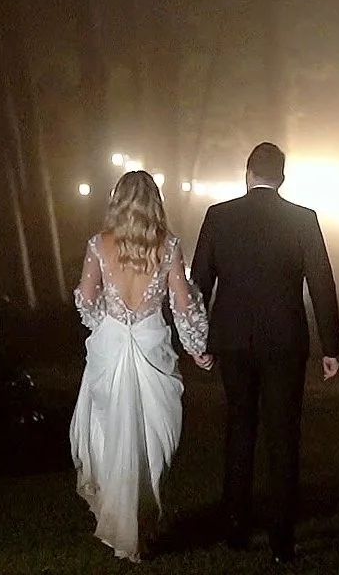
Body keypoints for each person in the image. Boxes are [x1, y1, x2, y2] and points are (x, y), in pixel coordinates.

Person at [191, 142, 339, 563]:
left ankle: (236, 526)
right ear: (282, 177)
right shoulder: (303, 220)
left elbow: (200, 282)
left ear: (247, 173)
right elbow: (322, 282)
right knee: (283, 435)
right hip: (285, 340)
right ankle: (281, 538)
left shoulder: (219, 217)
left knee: (240, 428)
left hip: (234, 339)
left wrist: (197, 338)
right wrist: (331, 345)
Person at [70, 170, 212, 562]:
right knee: (155, 439)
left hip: (112, 345)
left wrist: (105, 323)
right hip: (151, 343)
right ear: (155, 202)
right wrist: (197, 346)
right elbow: (183, 306)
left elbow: (85, 298)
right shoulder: (168, 247)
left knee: (108, 433)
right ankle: (138, 525)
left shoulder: (100, 245)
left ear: (119, 201)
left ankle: (124, 522)